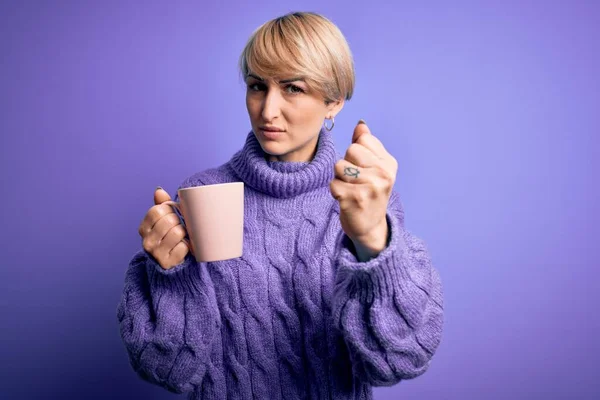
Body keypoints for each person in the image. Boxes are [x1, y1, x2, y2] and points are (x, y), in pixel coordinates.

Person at [117, 11, 444, 400]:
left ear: (334, 101)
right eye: (257, 86)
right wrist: (167, 277)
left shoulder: (363, 201)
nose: (268, 111)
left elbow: (399, 360)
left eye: (292, 88)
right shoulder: (201, 194)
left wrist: (374, 242)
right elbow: (169, 369)